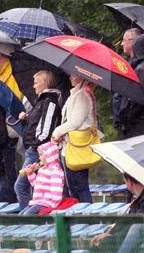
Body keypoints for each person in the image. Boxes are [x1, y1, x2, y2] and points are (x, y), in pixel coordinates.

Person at [88, 171, 144, 253]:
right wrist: (108, 234)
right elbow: (127, 221)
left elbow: (135, 225)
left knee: (136, 228)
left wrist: (112, 236)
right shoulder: (134, 198)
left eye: (125, 182)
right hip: (128, 235)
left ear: (129, 182)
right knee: (97, 242)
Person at [15, 70, 62, 208]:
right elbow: (36, 125)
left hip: (38, 150)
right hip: (32, 148)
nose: (33, 86)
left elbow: (46, 128)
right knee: (32, 185)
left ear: (44, 83)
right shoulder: (41, 100)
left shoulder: (49, 101)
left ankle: (30, 220)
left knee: (20, 186)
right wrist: (25, 120)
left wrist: (36, 145)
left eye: (36, 83)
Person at [52, 74, 98, 203]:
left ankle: (85, 218)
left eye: (74, 74)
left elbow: (75, 121)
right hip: (70, 145)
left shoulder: (83, 95)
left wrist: (56, 132)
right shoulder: (76, 94)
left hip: (76, 146)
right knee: (73, 185)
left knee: (79, 186)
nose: (70, 77)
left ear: (83, 77)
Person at [0, 43, 22, 204]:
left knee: (7, 165)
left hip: (8, 126)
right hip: (1, 126)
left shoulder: (12, 74)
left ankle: (9, 200)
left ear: (1, 56)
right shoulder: (2, 74)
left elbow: (14, 100)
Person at [18, 142, 65, 216]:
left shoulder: (55, 171)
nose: (39, 158)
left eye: (41, 155)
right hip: (38, 201)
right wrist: (31, 174)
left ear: (49, 155)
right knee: (20, 215)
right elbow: (36, 185)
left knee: (27, 215)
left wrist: (53, 205)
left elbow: (56, 191)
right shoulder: (42, 169)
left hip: (47, 202)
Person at [114, 28, 143, 135]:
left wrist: (123, 117)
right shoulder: (130, 63)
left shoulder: (138, 67)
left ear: (132, 41)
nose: (121, 44)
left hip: (133, 121)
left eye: (124, 40)